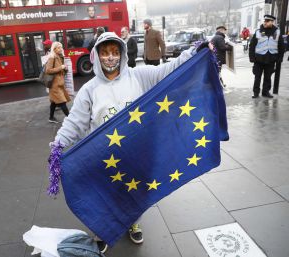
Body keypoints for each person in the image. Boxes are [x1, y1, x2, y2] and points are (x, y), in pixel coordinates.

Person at [49, 32, 213, 253]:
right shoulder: (89, 89)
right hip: (104, 157)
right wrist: (58, 145)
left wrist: (193, 52)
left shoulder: (139, 76)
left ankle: (132, 222)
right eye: (105, 53)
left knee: (133, 192)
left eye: (115, 53)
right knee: (105, 195)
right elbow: (75, 122)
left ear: (122, 54)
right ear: (96, 56)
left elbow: (170, 68)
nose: (110, 58)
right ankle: (102, 231)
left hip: (136, 153)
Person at [249, 14, 285, 98]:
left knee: (268, 77)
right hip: (259, 59)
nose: (265, 22)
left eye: (267, 21)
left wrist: (280, 58)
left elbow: (281, 46)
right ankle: (256, 92)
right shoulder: (258, 31)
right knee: (257, 77)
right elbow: (252, 45)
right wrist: (252, 57)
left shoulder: (277, 32)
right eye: (264, 21)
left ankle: (266, 92)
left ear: (272, 22)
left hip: (271, 58)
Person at [45, 42, 70, 123]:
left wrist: (65, 69)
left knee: (54, 102)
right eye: (58, 47)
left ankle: (51, 117)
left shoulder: (60, 56)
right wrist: (60, 67)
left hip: (59, 83)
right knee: (62, 102)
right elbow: (48, 70)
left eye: (61, 47)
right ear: (54, 49)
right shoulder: (52, 57)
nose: (60, 49)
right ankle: (71, 120)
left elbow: (62, 71)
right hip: (54, 84)